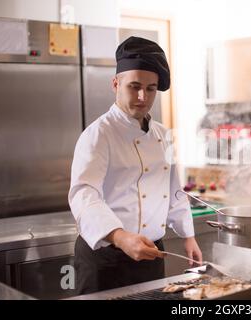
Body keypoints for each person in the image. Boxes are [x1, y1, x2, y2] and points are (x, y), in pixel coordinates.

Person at [68, 36, 202, 295]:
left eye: (151, 88)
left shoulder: (164, 136)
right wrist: (120, 236)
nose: (143, 97)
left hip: (151, 254)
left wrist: (188, 236)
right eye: (134, 86)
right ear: (116, 83)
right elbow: (84, 195)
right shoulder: (99, 135)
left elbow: (175, 191)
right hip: (106, 258)